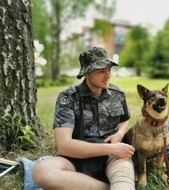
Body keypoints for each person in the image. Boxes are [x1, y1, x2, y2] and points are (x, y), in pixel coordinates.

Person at [32, 47, 136, 190]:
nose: (107, 76)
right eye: (100, 71)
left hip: (113, 158)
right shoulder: (68, 98)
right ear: (87, 72)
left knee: (123, 174)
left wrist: (119, 134)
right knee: (43, 172)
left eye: (109, 69)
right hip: (77, 158)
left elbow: (124, 119)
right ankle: (106, 187)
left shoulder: (118, 94)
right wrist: (109, 148)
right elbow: (64, 146)